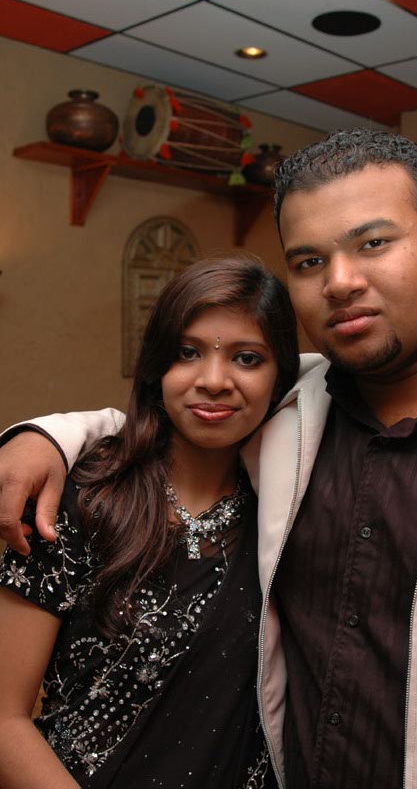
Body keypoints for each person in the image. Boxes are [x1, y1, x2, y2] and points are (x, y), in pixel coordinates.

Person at [1, 129, 417, 788]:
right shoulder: (290, 413)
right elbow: (172, 423)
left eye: (373, 243)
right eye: (309, 261)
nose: (340, 281)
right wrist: (44, 436)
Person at [0, 255, 301, 789]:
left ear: (280, 379)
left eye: (247, 358)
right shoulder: (84, 500)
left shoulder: (289, 511)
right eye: (187, 353)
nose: (214, 381)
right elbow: (5, 719)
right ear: (157, 366)